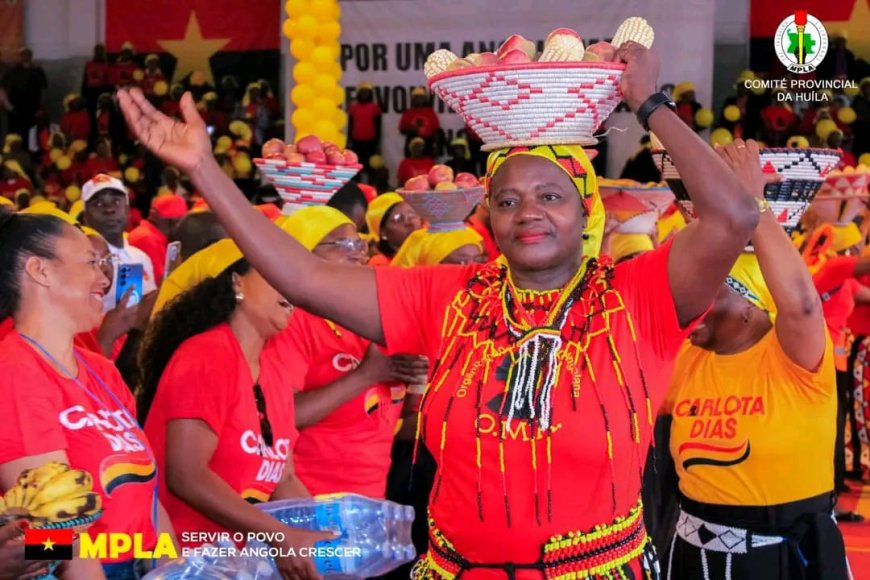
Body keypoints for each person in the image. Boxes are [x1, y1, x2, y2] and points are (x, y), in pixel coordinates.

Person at [119, 41, 761, 577]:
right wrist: (204, 169)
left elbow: (733, 213)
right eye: (507, 201)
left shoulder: (635, 296)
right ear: (489, 217)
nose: (528, 212)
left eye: (550, 196)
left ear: (586, 208)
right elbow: (303, 274)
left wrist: (649, 104)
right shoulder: (449, 297)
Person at [662, 140, 845, 579]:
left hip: (786, 562)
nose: (688, 304)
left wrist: (752, 204)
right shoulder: (685, 358)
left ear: (752, 306)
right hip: (693, 557)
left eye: (708, 290)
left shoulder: (795, 358)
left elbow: (801, 304)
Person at [139, 239, 331, 580]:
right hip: (179, 559)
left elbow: (282, 477)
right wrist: (278, 535)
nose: (290, 287)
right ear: (236, 281)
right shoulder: (206, 356)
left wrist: (327, 535)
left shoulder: (272, 368)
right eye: (275, 274)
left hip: (233, 564)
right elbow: (186, 475)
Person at [0, 209, 175, 579]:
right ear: (40, 270)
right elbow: (56, 529)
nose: (103, 277)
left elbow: (149, 493)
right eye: (91, 262)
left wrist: (174, 569)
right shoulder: (14, 371)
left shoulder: (102, 371)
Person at [268, 206, 427, 498]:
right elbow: (280, 416)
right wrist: (366, 375)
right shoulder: (290, 320)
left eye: (359, 243)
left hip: (370, 503)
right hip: (308, 503)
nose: (357, 253)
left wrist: (415, 374)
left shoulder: (369, 317)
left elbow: (387, 419)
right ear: (302, 255)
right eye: (341, 245)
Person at [81, 173, 157, 311]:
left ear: (128, 210)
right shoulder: (83, 262)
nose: (109, 209)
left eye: (116, 201)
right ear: (86, 216)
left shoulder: (141, 257)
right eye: (98, 204)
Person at [129, 194, 188, 283]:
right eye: (180, 223)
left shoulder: (149, 235)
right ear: (173, 222)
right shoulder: (147, 239)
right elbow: (161, 283)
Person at [365, 192, 422, 266]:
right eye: (399, 219)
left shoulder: (432, 244)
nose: (411, 223)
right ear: (383, 232)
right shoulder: (380, 264)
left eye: (412, 214)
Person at [1, 48, 47, 138]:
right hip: (16, 108)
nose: (26, 57)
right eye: (23, 55)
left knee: (31, 133)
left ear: (31, 56)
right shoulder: (13, 71)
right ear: (21, 57)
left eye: (28, 55)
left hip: (32, 107)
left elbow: (43, 89)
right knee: (16, 132)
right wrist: (8, 105)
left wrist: (41, 106)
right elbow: (3, 88)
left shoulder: (38, 71)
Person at [348, 82, 382, 176]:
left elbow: (378, 127)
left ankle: (371, 186)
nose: (364, 94)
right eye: (362, 92)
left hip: (370, 141)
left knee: (371, 166)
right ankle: (357, 186)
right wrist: (349, 141)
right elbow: (350, 126)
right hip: (356, 141)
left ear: (370, 94)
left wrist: (377, 143)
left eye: (367, 92)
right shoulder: (353, 107)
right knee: (356, 165)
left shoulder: (375, 108)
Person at [399, 88, 441, 156]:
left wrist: (437, 145)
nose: (419, 100)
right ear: (412, 99)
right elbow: (402, 129)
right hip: (412, 141)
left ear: (424, 99)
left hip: (427, 141)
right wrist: (411, 130)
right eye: (416, 97)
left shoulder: (430, 112)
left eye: (421, 98)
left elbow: (436, 130)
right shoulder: (408, 112)